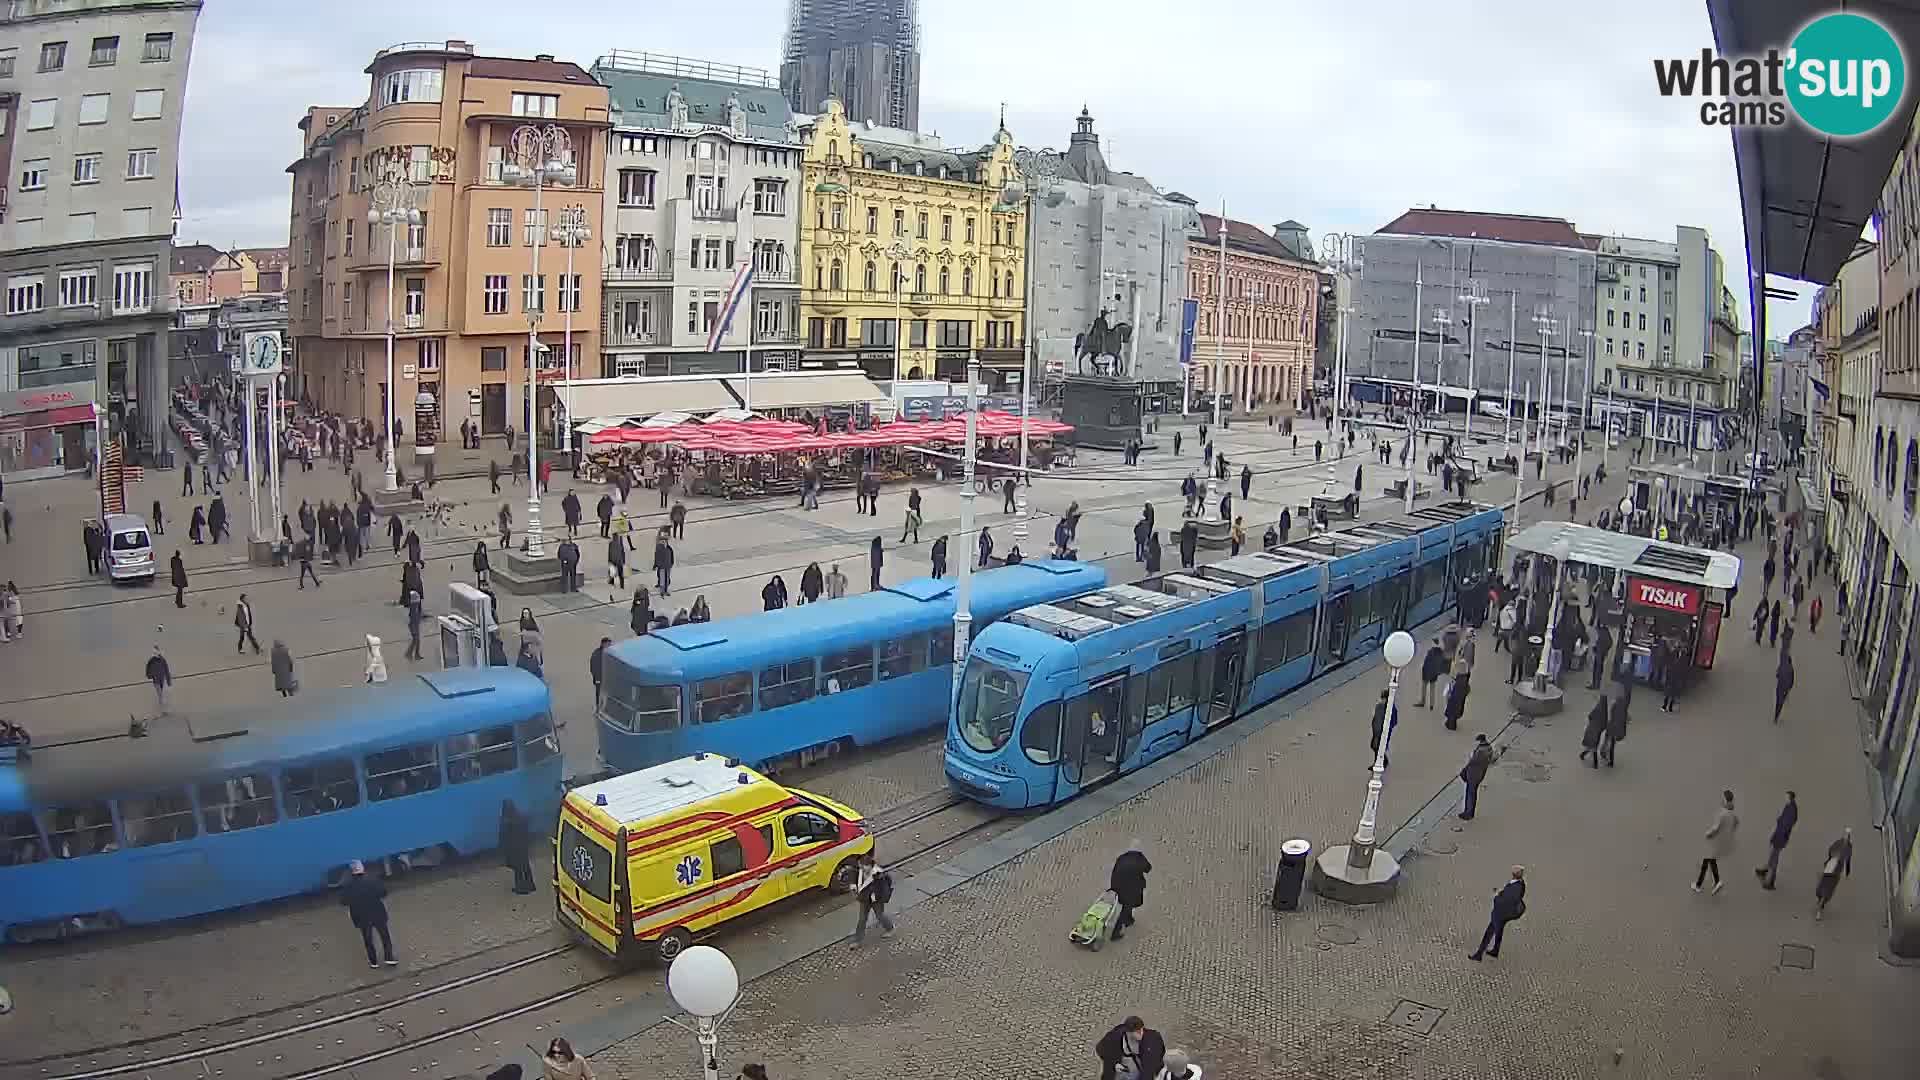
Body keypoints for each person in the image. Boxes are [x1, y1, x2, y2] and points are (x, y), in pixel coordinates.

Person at [340, 859, 397, 968]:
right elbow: (383, 893)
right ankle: (389, 958)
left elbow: (343, 902)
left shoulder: (348, 885)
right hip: (377, 912)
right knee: (384, 936)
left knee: (368, 939)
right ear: (362, 868)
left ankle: (373, 962)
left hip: (360, 915)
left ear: (352, 870)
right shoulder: (372, 879)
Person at [1468, 865, 1527, 961]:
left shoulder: (1515, 887)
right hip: (1508, 912)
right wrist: (1501, 892)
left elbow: (1507, 900)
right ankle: (1495, 950)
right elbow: (1510, 896)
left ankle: (1479, 954)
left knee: (1489, 932)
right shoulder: (1520, 883)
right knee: (1498, 930)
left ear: (1513, 874)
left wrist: (1497, 896)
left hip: (1502, 913)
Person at [1695, 789, 1739, 894]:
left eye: (1722, 798)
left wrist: (1707, 833)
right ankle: (1715, 881)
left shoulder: (1722, 814)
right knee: (1710, 860)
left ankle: (1698, 885)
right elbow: (1736, 823)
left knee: (1707, 860)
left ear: (1725, 800)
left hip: (1716, 842)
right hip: (1722, 842)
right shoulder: (1732, 814)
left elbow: (1715, 828)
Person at [1096, 1016, 1166, 1080]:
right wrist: (1114, 1064)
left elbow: (1160, 1054)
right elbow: (1101, 1049)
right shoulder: (1115, 1036)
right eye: (1137, 1032)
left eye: (1141, 1030)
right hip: (1123, 1072)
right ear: (1128, 1032)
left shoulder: (1153, 1038)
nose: (1140, 1033)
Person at [1108, 841, 1152, 941]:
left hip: (1120, 887)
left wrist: (1114, 887)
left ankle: (1129, 919)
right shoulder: (1139, 859)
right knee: (1126, 908)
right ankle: (1115, 933)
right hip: (1132, 889)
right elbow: (1148, 868)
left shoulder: (1122, 857)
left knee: (1127, 905)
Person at [1756, 790, 1798, 890]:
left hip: (1780, 837)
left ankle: (1769, 882)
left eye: (1786, 797)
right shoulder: (1789, 806)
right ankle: (1765, 871)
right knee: (1772, 855)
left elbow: (1786, 825)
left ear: (1790, 798)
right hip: (1778, 834)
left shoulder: (1792, 809)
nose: (1785, 798)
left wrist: (1777, 836)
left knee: (1774, 858)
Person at [852, 852, 895, 944]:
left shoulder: (879, 875)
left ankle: (890, 928)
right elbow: (856, 879)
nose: (861, 868)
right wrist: (854, 885)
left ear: (869, 865)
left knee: (880, 915)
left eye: (863, 866)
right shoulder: (861, 870)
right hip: (864, 899)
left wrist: (875, 895)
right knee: (862, 919)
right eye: (860, 866)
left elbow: (883, 889)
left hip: (876, 901)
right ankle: (857, 940)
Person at [1814, 828, 1853, 920]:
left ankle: (1820, 903)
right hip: (1833, 869)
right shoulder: (1845, 845)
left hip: (1833, 869)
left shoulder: (1843, 845)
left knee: (1825, 888)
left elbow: (1846, 859)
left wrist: (1847, 871)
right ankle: (1820, 906)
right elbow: (1846, 860)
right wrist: (1847, 872)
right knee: (1826, 889)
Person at [500, 800, 535, 895]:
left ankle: (521, 888)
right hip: (523, 847)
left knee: (518, 869)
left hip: (515, 849)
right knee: (525, 866)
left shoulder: (507, 822)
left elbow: (506, 838)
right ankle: (530, 885)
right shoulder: (520, 817)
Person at [1459, 734, 1494, 820]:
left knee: (1470, 794)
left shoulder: (1481, 751)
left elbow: (1473, 762)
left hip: (1473, 774)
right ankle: (1469, 812)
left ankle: (1468, 813)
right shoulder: (1489, 748)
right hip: (1479, 774)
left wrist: (1464, 770)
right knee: (1472, 793)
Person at [1579, 694, 1608, 768]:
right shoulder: (1605, 713)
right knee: (1593, 747)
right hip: (1597, 732)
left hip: (1591, 730)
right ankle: (1593, 763)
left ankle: (1586, 757)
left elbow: (1590, 716)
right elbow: (1604, 726)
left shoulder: (1597, 709)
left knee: (1590, 747)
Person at [1418, 638, 1445, 707]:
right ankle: (1431, 704)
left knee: (1424, 687)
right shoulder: (1441, 653)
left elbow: (1426, 663)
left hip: (1427, 673)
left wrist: (1423, 670)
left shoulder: (1430, 652)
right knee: (1432, 688)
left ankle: (1422, 702)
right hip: (1434, 673)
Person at [146, 646, 172, 714]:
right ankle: (162, 710)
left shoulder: (163, 660)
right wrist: (150, 676)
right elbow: (148, 669)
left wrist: (168, 681)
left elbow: (167, 670)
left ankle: (164, 709)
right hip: (156, 681)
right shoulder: (151, 661)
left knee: (163, 694)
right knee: (160, 695)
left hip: (162, 680)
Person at [1773, 650, 1795, 723]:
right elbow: (1792, 680)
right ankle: (1777, 716)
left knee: (1778, 702)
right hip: (1785, 688)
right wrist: (1789, 688)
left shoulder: (1781, 667)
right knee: (1780, 702)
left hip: (1780, 687)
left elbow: (1777, 675)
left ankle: (1776, 716)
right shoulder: (1791, 669)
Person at [405, 589, 424, 661]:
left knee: (416, 640)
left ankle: (413, 654)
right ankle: (411, 654)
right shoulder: (414, 608)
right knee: (416, 640)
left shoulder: (414, 608)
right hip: (414, 626)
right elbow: (413, 617)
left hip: (414, 625)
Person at [590, 636, 610, 705]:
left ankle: (604, 706)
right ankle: (598, 707)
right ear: (602, 644)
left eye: (609, 644)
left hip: (607, 679)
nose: (609, 646)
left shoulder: (609, 653)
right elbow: (593, 667)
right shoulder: (597, 653)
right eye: (607, 644)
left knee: (606, 695)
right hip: (599, 678)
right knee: (599, 693)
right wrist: (596, 678)